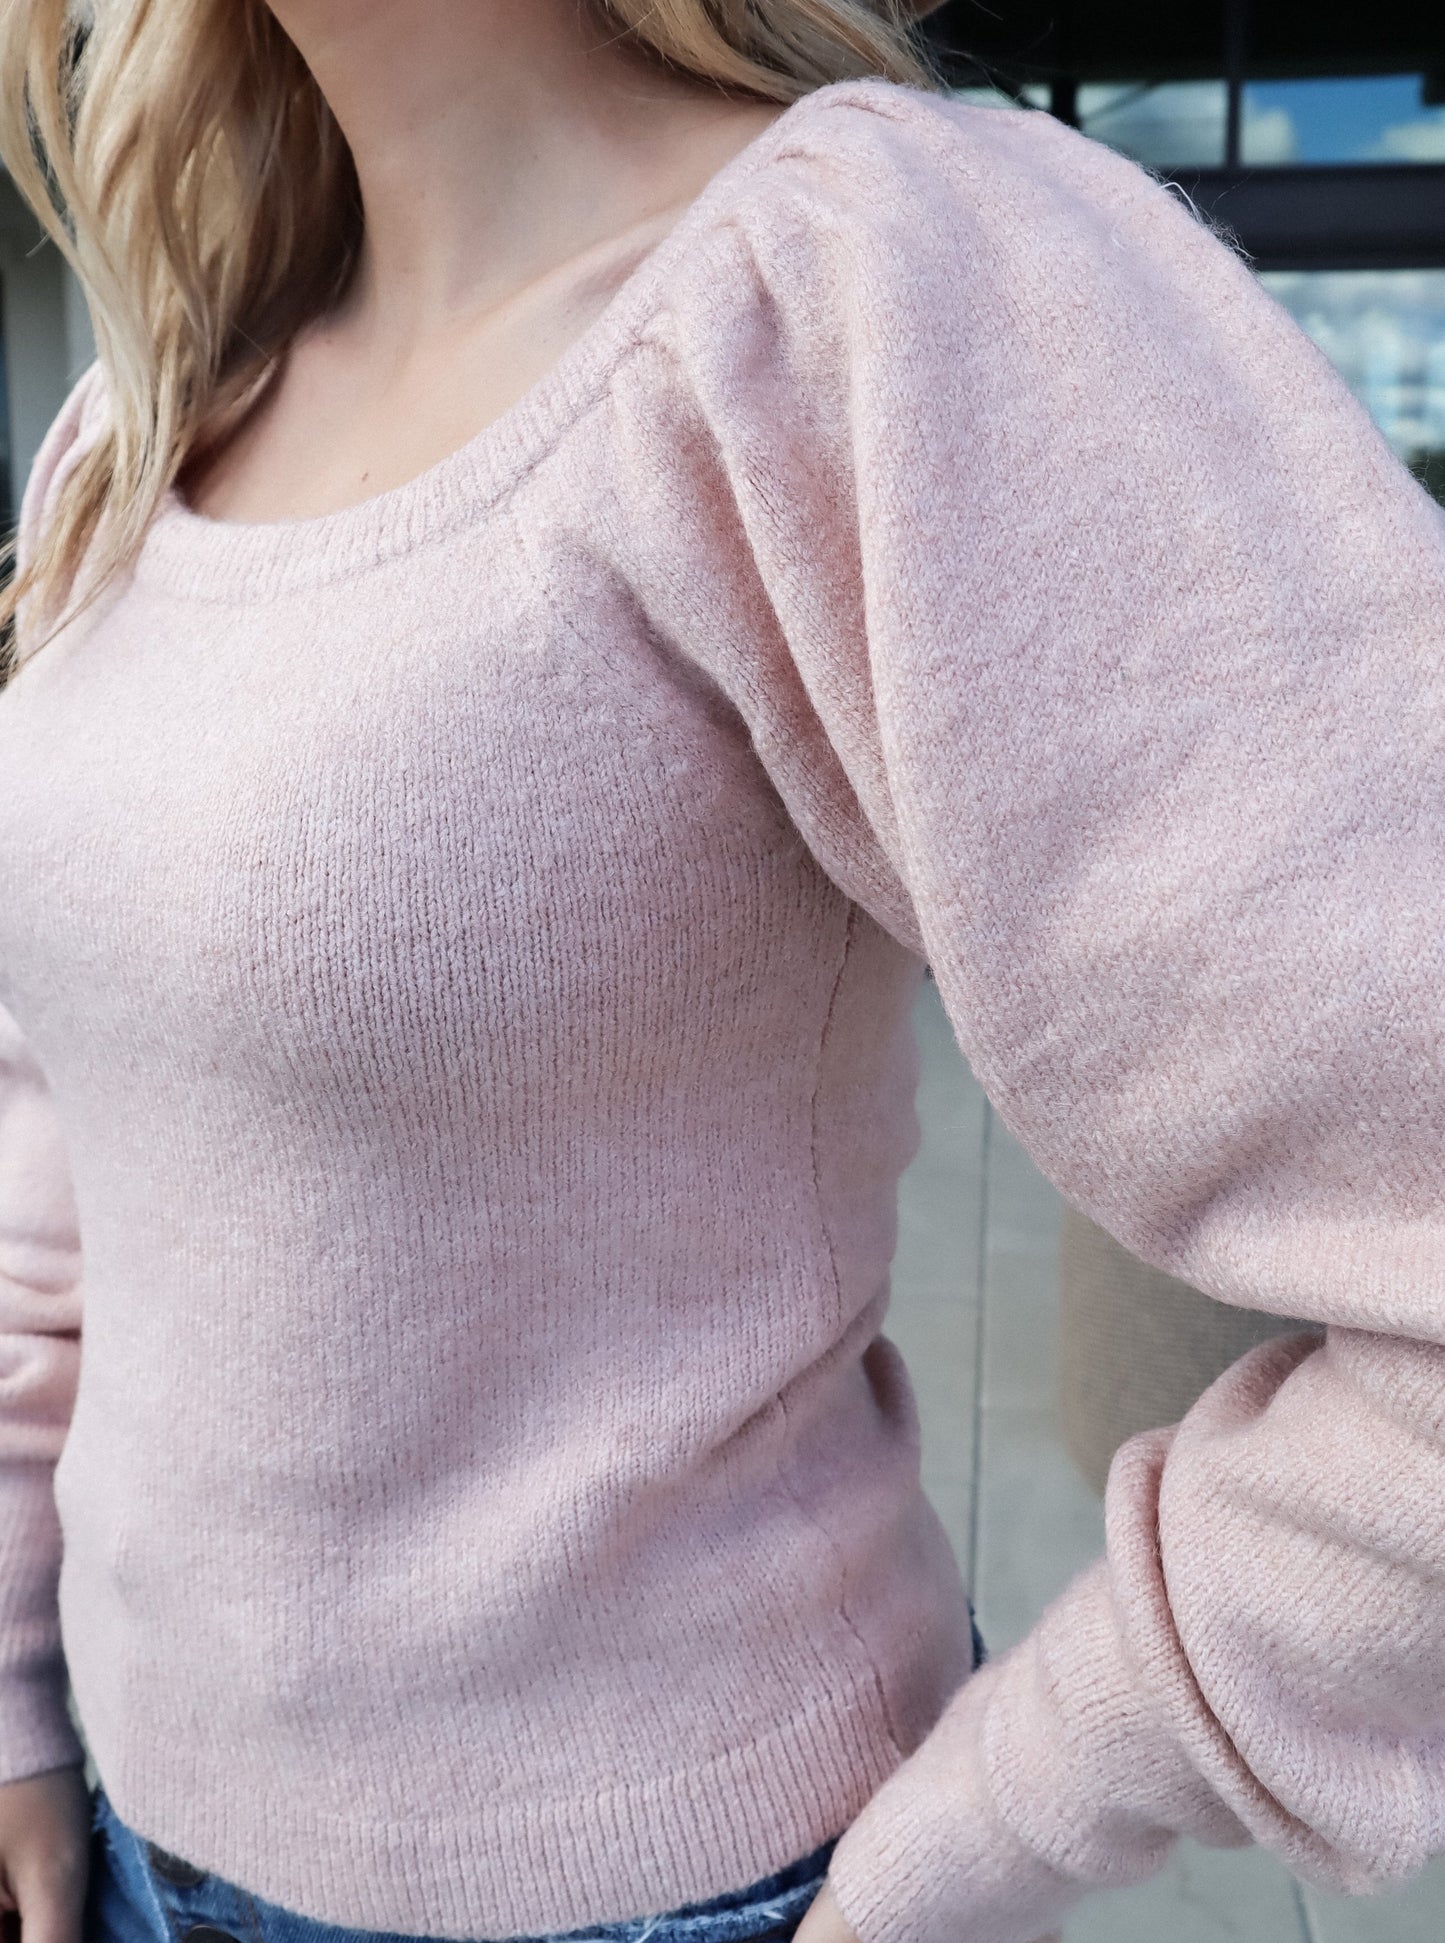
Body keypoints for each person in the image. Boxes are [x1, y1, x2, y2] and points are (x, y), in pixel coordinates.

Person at [0, 2, 1443, 1943]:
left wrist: (972, 1849)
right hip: (120, 1835)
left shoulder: (847, 287)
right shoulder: (137, 419)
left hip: (674, 1889)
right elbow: (59, 1129)